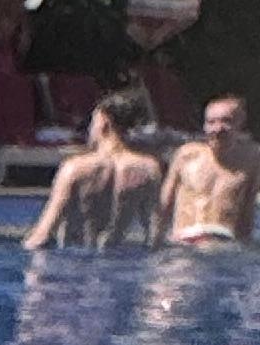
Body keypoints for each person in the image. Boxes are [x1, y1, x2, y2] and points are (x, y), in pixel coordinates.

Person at [24, 90, 164, 251]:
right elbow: (154, 235)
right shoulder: (148, 169)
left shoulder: (75, 168)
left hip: (75, 260)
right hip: (116, 260)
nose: (90, 129)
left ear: (104, 122)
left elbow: (42, 236)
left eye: (92, 122)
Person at [163, 94, 259, 245]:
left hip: (224, 243)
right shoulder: (186, 155)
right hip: (184, 242)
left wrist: (246, 246)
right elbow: (165, 204)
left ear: (240, 124)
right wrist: (155, 243)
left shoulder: (252, 158)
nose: (218, 128)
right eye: (211, 122)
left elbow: (249, 208)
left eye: (226, 121)